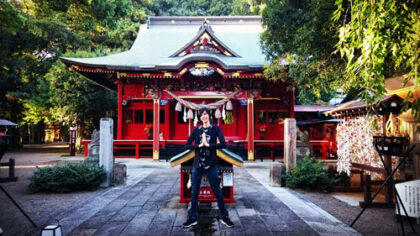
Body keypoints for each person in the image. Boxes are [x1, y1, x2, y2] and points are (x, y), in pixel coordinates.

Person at [182, 107, 234, 228]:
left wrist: (209, 145)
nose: (204, 116)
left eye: (205, 114)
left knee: (217, 191)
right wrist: (200, 145)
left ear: (209, 116)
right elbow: (187, 145)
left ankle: (224, 216)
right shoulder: (197, 130)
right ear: (200, 118)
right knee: (194, 192)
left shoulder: (215, 129)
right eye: (202, 115)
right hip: (198, 165)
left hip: (211, 165)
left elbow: (223, 144)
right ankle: (192, 217)